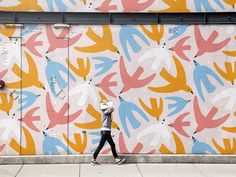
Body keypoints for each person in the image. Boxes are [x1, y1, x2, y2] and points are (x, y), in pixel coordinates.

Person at [91, 100, 125, 165]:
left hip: (107, 132)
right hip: (105, 132)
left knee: (112, 144)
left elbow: (111, 116)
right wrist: (107, 103)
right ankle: (93, 160)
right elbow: (111, 109)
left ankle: (117, 159)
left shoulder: (107, 113)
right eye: (105, 104)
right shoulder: (104, 112)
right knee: (101, 146)